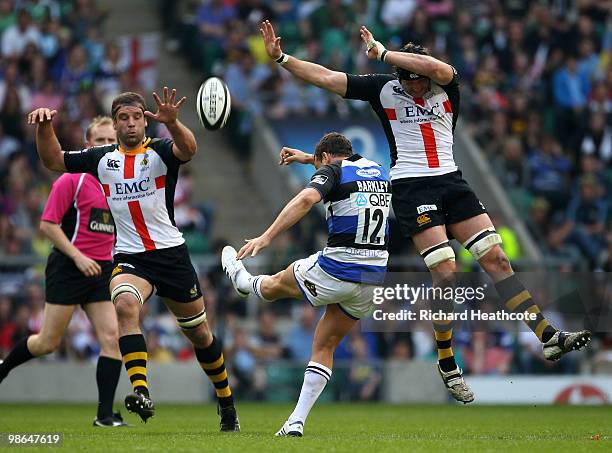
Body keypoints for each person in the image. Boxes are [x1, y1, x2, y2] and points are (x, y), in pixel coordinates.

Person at [260, 20, 591, 403]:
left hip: (452, 181)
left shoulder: (447, 82)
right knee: (446, 270)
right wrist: (282, 58)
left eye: (418, 79)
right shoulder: (384, 88)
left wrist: (383, 52)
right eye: (407, 79)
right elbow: (327, 77)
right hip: (411, 187)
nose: (414, 86)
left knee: (496, 257)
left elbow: (436, 68)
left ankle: (548, 337)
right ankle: (448, 362)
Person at [27, 88, 240, 431]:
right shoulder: (101, 158)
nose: (130, 124)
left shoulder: (159, 151)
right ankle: (141, 392)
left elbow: (189, 149)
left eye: (136, 117)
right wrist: (43, 127)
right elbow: (53, 160)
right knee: (125, 304)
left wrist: (173, 123)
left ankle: (226, 402)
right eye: (123, 118)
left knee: (199, 334)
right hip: (130, 257)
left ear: (145, 121)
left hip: (171, 255)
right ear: (115, 123)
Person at [222, 132, 391, 436]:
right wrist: (305, 157)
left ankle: (243, 281)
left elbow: (307, 197)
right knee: (325, 344)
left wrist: (266, 237)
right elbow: (339, 172)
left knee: (274, 286)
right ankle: (296, 422)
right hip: (372, 278)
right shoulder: (377, 170)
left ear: (326, 157)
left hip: (339, 268)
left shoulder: (331, 171)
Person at [0, 116, 126, 427]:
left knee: (113, 339)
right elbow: (47, 225)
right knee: (47, 342)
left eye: (112, 140)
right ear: (88, 145)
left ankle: (104, 415)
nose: (107, 146)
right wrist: (78, 256)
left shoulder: (122, 185)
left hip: (103, 271)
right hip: (68, 268)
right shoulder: (72, 179)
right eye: (100, 140)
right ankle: (2, 369)